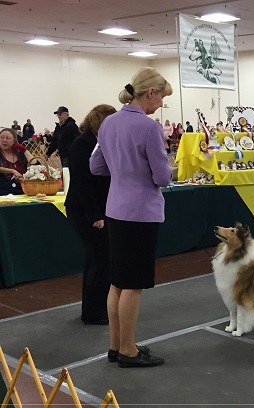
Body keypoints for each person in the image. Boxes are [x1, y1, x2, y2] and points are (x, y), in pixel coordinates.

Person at [90, 67, 173, 368]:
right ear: (150, 92)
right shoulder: (149, 128)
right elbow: (163, 177)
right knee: (134, 284)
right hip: (141, 213)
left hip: (116, 209)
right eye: (162, 96)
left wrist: (123, 171)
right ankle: (128, 350)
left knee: (117, 282)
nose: (162, 103)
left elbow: (96, 166)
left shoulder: (108, 123)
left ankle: (116, 345)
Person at [65, 104, 117, 326]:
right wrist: (95, 215)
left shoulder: (102, 143)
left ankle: (93, 309)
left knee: (94, 260)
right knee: (101, 259)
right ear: (99, 121)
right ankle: (95, 312)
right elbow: (83, 183)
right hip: (85, 210)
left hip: (99, 209)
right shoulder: (82, 144)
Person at [0, 128, 36, 195]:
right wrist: (12, 171)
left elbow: (36, 165)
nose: (4, 140)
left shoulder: (20, 154)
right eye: (1, 138)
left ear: (14, 141)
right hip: (3, 193)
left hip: (22, 191)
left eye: (8, 138)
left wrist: (24, 149)